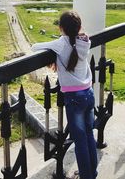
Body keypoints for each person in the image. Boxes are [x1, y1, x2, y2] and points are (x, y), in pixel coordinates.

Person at [31, 10, 98, 179]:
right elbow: (72, 52)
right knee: (89, 133)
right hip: (89, 93)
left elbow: (34, 47)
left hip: (74, 98)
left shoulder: (61, 44)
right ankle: (91, 171)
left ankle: (86, 176)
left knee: (80, 140)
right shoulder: (85, 41)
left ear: (61, 28)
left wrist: (55, 57)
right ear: (79, 26)